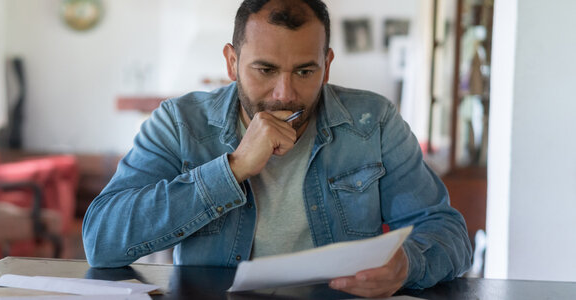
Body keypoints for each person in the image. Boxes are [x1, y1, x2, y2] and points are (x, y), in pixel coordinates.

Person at [82, 0, 472, 297]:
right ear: (232, 62)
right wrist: (231, 169)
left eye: (305, 71)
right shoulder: (180, 123)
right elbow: (102, 242)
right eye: (265, 70)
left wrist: (408, 265)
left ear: (327, 64)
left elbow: (448, 231)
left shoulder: (373, 121)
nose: (285, 95)